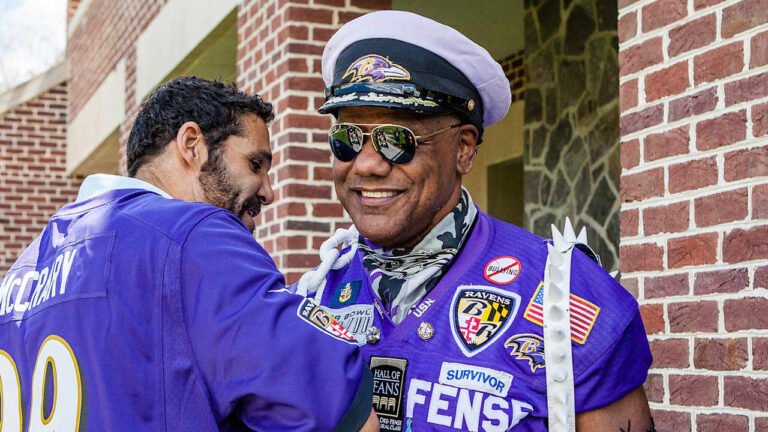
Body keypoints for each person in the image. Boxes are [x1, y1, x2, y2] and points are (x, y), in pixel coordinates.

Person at [293, 11, 655, 432]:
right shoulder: (313, 297)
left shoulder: (567, 296)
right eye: (347, 139)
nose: (366, 165)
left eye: (397, 140)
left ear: (464, 149)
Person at [0, 76, 378, 431]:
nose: (268, 192)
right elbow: (343, 409)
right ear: (192, 144)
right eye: (255, 164)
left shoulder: (19, 275)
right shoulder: (193, 235)